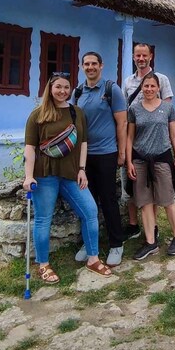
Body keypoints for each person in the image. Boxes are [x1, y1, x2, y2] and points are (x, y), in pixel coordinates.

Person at [23, 73, 113, 283]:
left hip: (71, 174)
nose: (62, 91)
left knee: (90, 211)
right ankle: (43, 264)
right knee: (43, 219)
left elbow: (83, 143)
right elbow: (29, 149)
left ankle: (92, 259)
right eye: (58, 87)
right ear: (50, 88)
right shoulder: (37, 115)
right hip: (45, 175)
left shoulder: (76, 113)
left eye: (66, 87)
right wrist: (28, 177)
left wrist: (81, 169)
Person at [71, 52, 128, 266]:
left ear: (101, 66)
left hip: (106, 153)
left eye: (94, 63)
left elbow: (122, 123)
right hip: (84, 156)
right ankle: (89, 244)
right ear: (82, 66)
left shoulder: (111, 89)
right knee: (88, 202)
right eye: (86, 64)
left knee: (108, 200)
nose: (90, 67)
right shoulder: (78, 92)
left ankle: (116, 244)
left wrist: (121, 153)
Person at [127, 72, 175, 260]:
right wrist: (129, 162)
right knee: (144, 203)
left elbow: (174, 135)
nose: (149, 89)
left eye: (152, 86)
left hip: (161, 159)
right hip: (140, 160)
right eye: (146, 86)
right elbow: (129, 137)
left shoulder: (167, 108)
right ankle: (151, 242)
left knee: (168, 200)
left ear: (158, 88)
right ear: (141, 87)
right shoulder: (134, 109)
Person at [121, 43, 174, 239]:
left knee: (152, 186)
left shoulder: (162, 79)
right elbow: (125, 108)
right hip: (133, 138)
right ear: (133, 57)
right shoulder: (128, 82)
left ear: (151, 56)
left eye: (144, 55)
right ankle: (134, 225)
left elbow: (167, 112)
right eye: (137, 55)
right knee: (132, 184)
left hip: (155, 142)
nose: (141, 58)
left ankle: (154, 226)